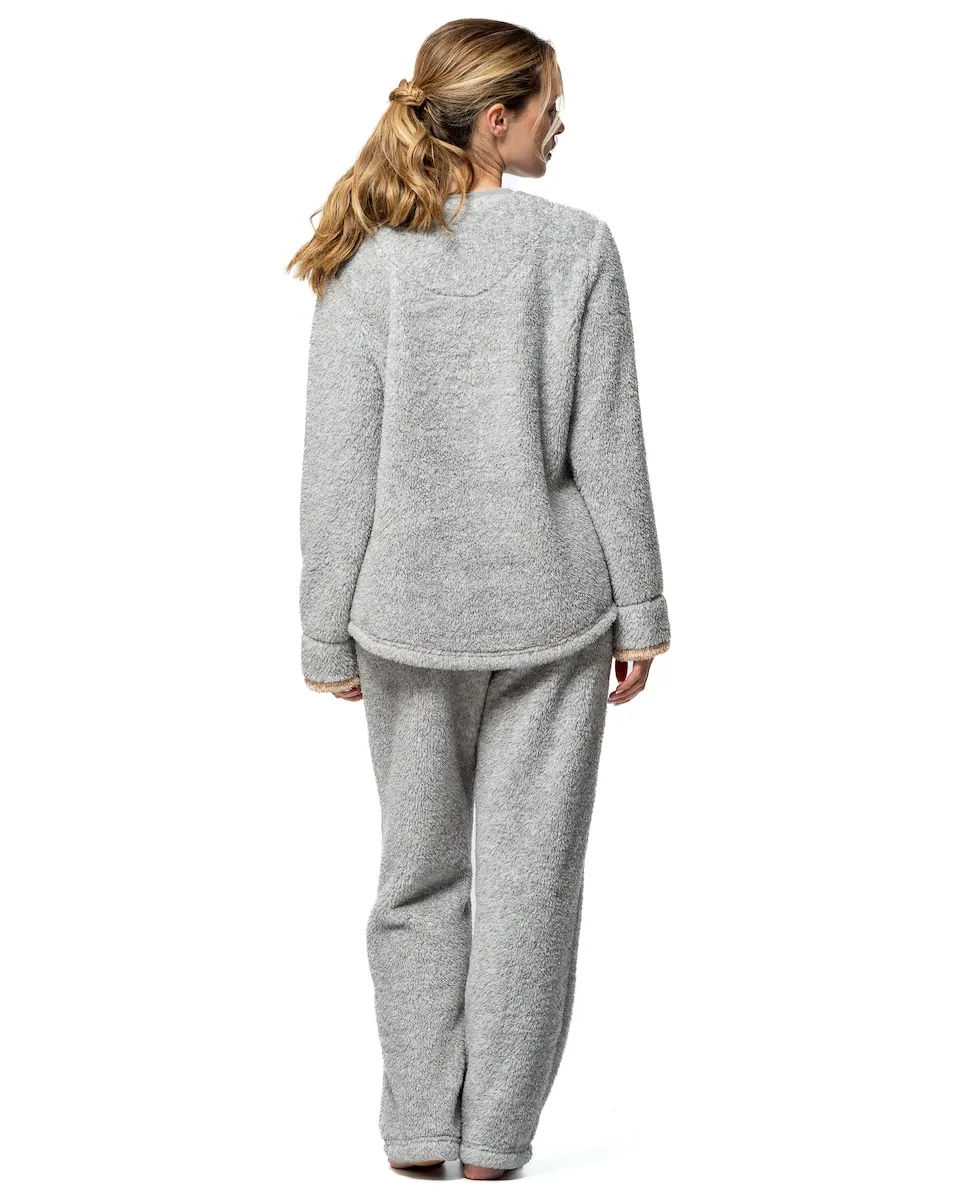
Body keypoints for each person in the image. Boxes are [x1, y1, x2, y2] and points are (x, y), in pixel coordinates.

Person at [285, 17, 671, 1182]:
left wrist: (324, 631)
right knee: (531, 889)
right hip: (555, 613)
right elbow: (608, 447)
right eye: (549, 104)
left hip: (404, 619)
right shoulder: (577, 248)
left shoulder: (364, 257)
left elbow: (336, 464)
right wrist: (642, 610)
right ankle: (495, 1141)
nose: (561, 123)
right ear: (496, 120)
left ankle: (417, 1132)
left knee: (416, 876)